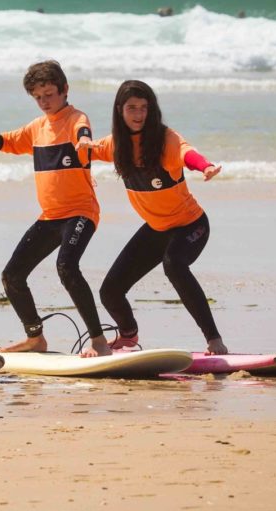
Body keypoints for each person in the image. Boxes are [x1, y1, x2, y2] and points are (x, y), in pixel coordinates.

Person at [76, 80, 228, 355]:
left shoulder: (165, 140)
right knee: (110, 290)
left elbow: (186, 153)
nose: (138, 114)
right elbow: (91, 148)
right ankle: (128, 335)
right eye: (132, 108)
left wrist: (205, 166)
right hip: (157, 228)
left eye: (144, 108)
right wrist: (82, 141)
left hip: (190, 225)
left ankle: (214, 340)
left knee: (174, 265)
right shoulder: (117, 145)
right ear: (120, 110)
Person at [0, 60, 111, 357]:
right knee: (12, 275)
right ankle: (35, 338)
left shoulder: (76, 118)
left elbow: (83, 130)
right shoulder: (37, 128)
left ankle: (99, 341)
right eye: (37, 97)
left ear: (64, 90)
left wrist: (85, 142)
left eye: (49, 94)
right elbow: (11, 140)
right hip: (50, 218)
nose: (44, 102)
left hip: (80, 212)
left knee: (66, 267)